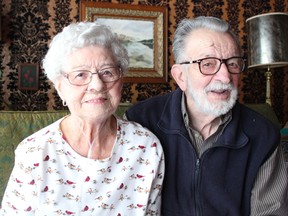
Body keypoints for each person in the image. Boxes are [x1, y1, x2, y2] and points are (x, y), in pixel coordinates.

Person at [125, 16, 288, 215]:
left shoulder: (263, 135)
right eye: (208, 64)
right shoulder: (141, 122)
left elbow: (271, 212)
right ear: (181, 77)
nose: (225, 76)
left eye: (233, 63)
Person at [0, 22, 164, 215]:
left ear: (121, 80)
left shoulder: (146, 147)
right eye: (80, 75)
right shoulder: (34, 153)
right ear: (60, 87)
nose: (96, 84)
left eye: (107, 72)